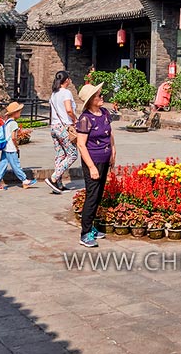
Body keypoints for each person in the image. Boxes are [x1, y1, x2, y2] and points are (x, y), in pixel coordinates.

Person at [75, 83, 115, 248]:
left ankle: (91, 226)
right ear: (91, 100)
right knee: (92, 196)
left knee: (99, 195)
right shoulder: (85, 119)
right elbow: (81, 144)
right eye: (98, 95)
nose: (102, 97)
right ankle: (85, 233)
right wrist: (91, 167)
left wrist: (113, 152)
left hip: (105, 158)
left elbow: (109, 133)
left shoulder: (104, 113)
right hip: (92, 160)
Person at [45, 71, 78, 194]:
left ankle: (58, 185)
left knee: (60, 154)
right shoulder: (66, 92)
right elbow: (69, 110)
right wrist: (75, 119)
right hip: (64, 127)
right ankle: (53, 178)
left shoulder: (54, 93)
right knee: (72, 154)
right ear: (67, 80)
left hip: (54, 126)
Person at [0, 102, 37, 191]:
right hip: (11, 148)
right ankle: (25, 181)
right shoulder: (14, 123)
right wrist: (16, 147)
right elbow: (13, 137)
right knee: (16, 165)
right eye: (19, 112)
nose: (20, 113)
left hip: (5, 147)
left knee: (2, 165)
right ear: (15, 113)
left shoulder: (7, 122)